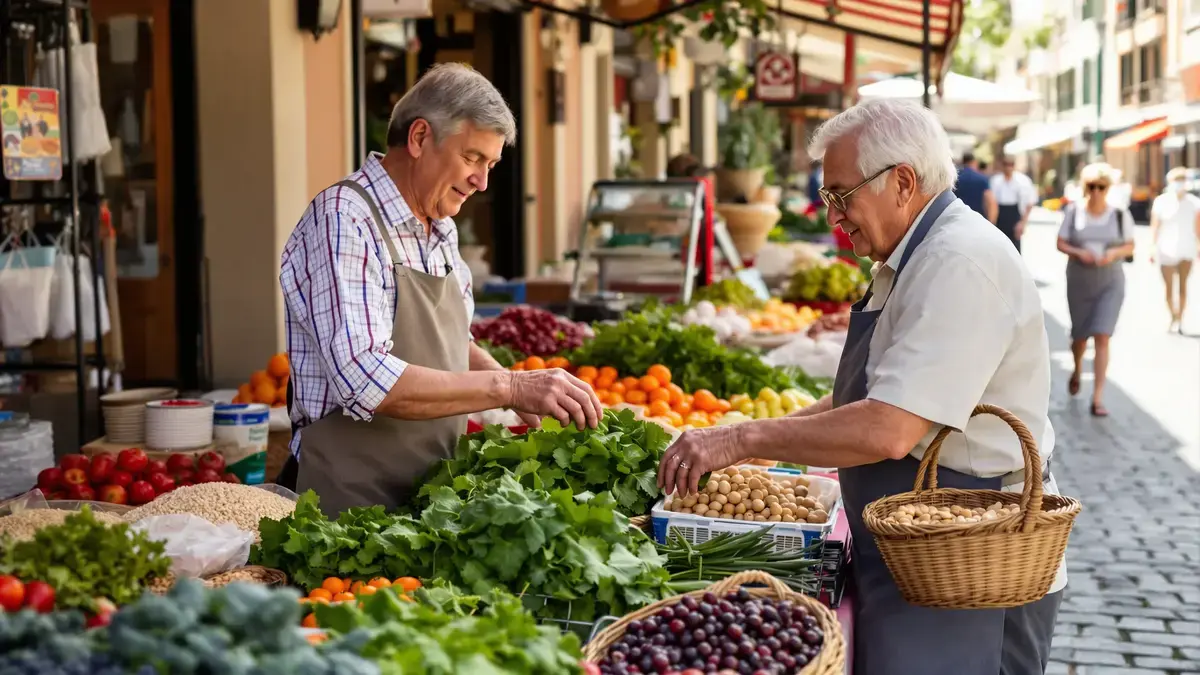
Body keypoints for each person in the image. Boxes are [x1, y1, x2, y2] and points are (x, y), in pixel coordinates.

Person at [656, 99, 1065, 675]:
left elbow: (889, 427)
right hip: (916, 550)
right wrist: (748, 439)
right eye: (829, 198)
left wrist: (740, 441)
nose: (833, 217)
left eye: (842, 196)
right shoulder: (912, 255)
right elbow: (864, 398)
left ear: (902, 182)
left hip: (967, 562)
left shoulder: (957, 261)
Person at [277, 63, 602, 515]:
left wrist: (532, 403)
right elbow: (365, 379)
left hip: (428, 496)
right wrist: (509, 386)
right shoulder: (344, 220)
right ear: (419, 138)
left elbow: (453, 342)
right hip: (346, 506)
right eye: (472, 158)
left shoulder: (440, 227)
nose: (482, 182)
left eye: (491, 165)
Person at [1056, 162, 1135, 417]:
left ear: (1108, 188)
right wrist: (1080, 252)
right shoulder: (1073, 211)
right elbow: (1060, 242)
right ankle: (1078, 367)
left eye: (1101, 187)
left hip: (1110, 280)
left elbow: (1131, 245)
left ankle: (1098, 397)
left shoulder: (1120, 214)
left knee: (1102, 335)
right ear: (1085, 187)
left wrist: (1113, 252)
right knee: (1080, 336)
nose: (1097, 191)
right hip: (1080, 279)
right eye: (1092, 186)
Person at [1149, 167, 1200, 332]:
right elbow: (1155, 226)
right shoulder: (1161, 202)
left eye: (1182, 180)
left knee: (1183, 286)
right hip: (1166, 249)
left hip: (1187, 247)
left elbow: (1197, 227)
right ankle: (1173, 315)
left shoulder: (1194, 202)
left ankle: (1181, 318)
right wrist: (1152, 246)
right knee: (1169, 287)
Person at [990, 156, 1037, 251]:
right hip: (1000, 215)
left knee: (1015, 248)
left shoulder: (1023, 181)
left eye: (1011, 165)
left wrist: (1023, 223)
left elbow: (1030, 203)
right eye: (1005, 164)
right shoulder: (995, 181)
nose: (1008, 167)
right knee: (999, 248)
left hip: (1015, 215)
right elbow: (992, 202)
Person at [954, 152, 997, 223]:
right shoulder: (982, 179)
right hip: (978, 220)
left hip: (959, 220)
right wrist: (991, 223)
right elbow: (991, 202)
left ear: (963, 162)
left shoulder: (956, 179)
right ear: (974, 162)